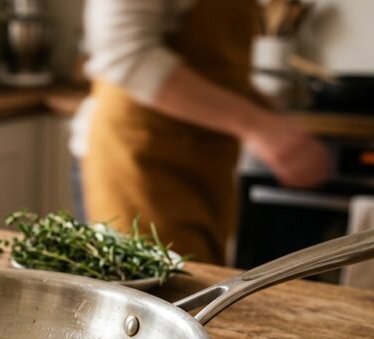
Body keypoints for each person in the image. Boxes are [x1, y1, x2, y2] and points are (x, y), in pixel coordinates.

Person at [73, 0, 330, 264]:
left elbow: (210, 68)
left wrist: (265, 113)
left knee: (197, 286)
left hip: (203, 167)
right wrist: (257, 124)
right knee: (158, 289)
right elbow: (126, 57)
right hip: (138, 163)